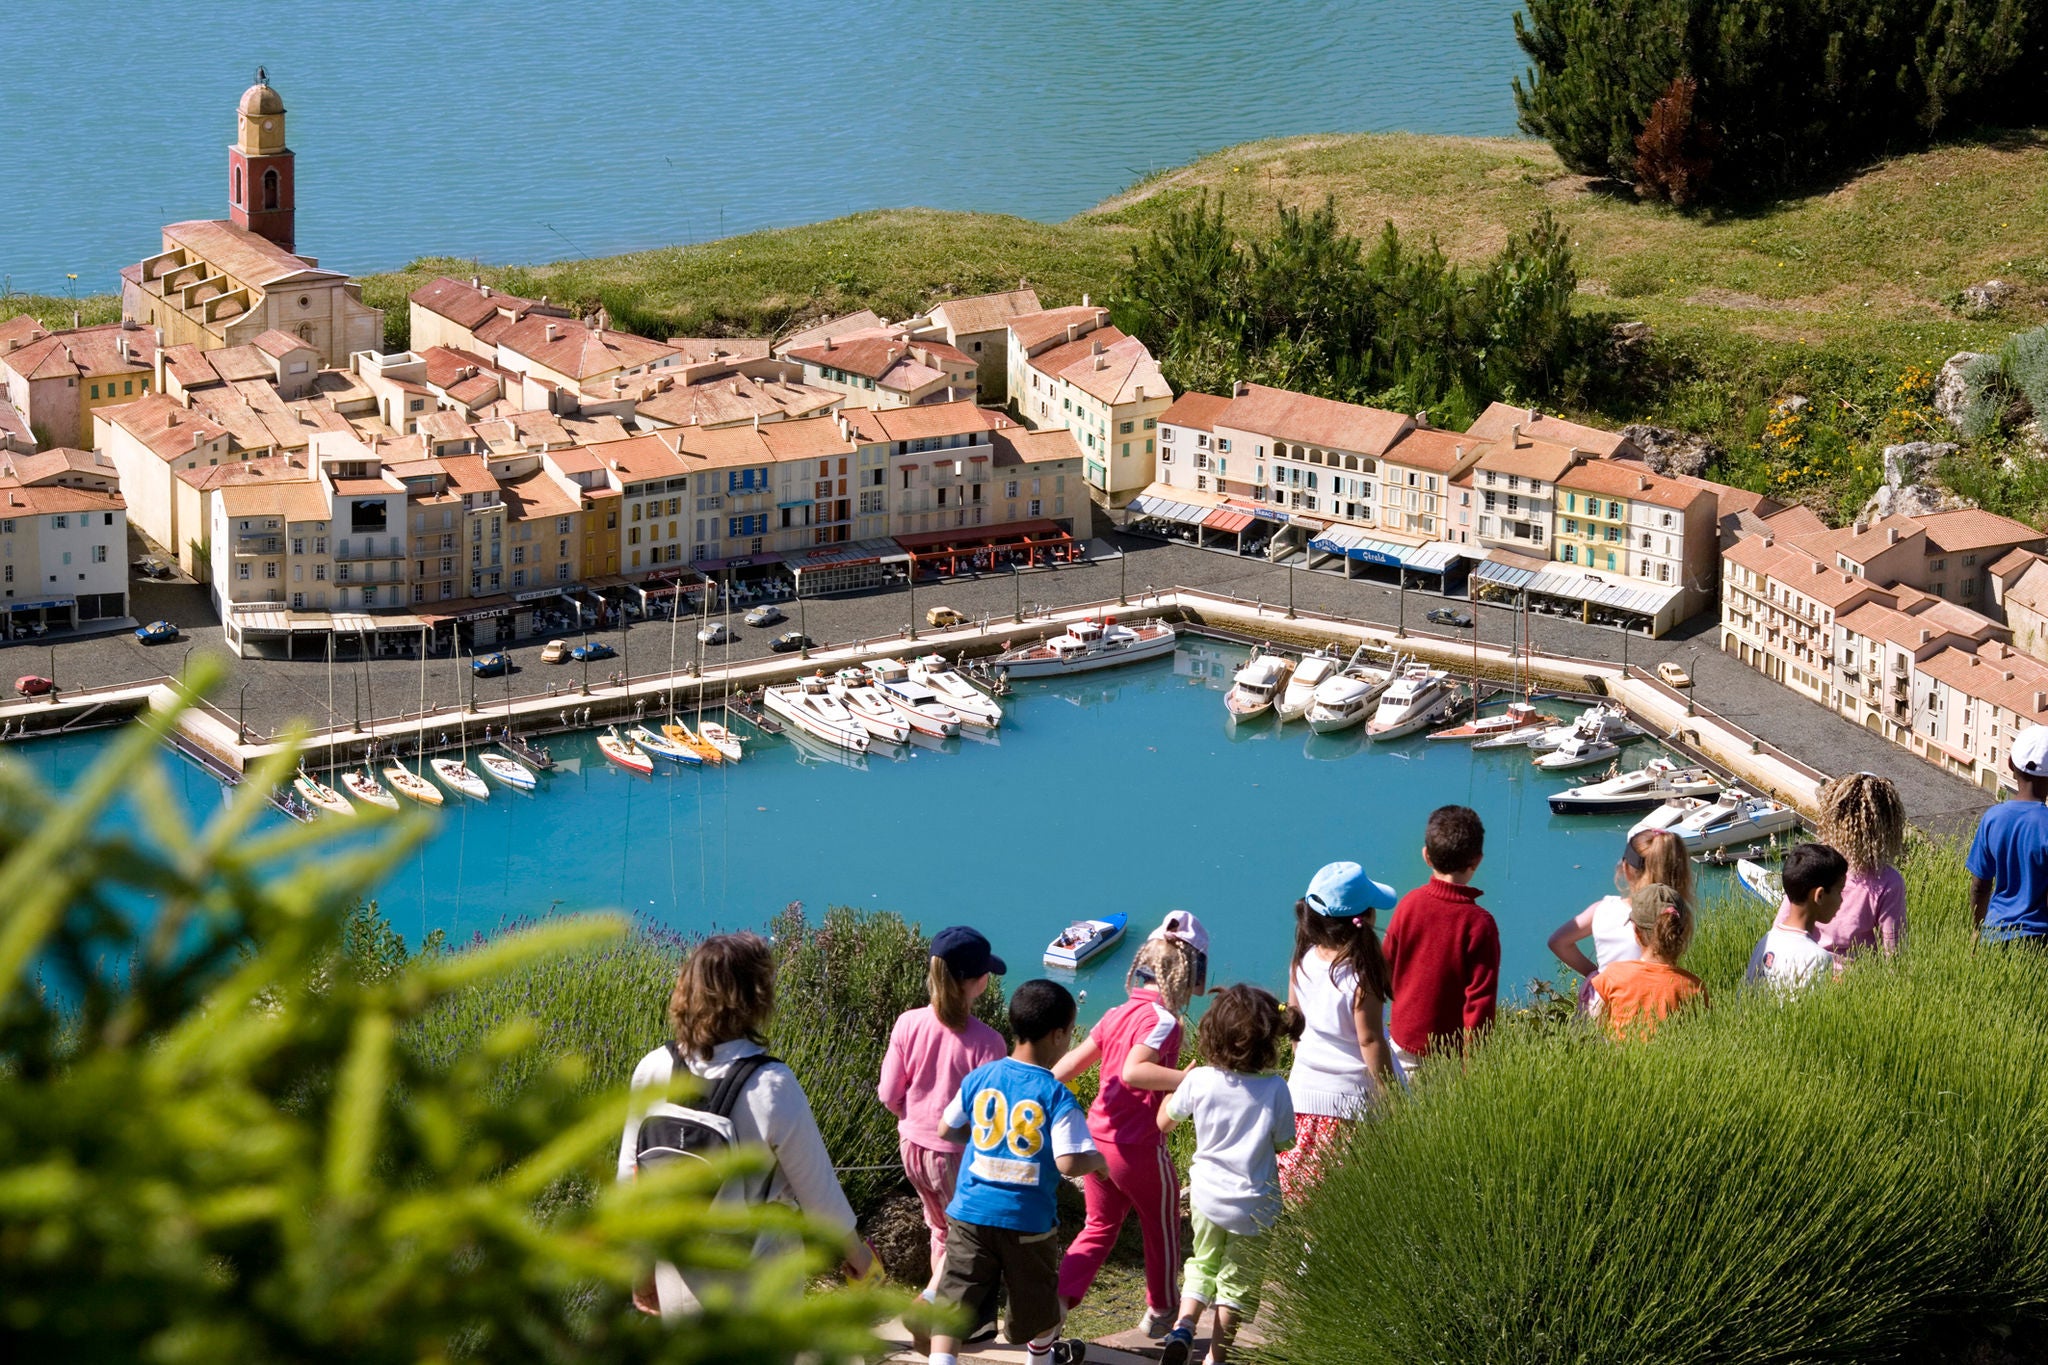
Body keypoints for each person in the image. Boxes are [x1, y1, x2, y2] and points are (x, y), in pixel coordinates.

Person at [617, 932, 872, 1317]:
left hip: (678, 1267)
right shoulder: (771, 1084)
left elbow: (631, 1179)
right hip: (760, 1272)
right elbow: (819, 1193)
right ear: (756, 998)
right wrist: (858, 1256)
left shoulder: (652, 1067)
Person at [914, 979, 1104, 1365]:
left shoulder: (981, 1078)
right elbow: (1069, 1162)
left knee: (954, 1300)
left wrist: (987, 1136)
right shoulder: (1056, 1095)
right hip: (1027, 1223)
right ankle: (1040, 1358)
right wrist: (1099, 1160)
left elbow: (947, 1128)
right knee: (1040, 1308)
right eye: (1069, 1033)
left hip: (970, 1214)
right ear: (1058, 1034)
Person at [1052, 910, 1209, 1337]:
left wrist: (1037, 1088)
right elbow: (1135, 1072)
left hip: (1095, 1139)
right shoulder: (1163, 1021)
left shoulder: (1116, 1013)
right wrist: (1191, 1080)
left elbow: (1071, 1064)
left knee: (1098, 1227)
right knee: (1162, 1226)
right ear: (1187, 976)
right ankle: (1161, 1311)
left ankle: (1058, 1302)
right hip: (1137, 1147)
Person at [1156, 985, 1300, 1365]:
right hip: (1255, 1205)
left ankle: (1184, 1326)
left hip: (1206, 1197)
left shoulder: (1199, 1079)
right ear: (1269, 1040)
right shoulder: (1276, 1089)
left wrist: (1176, 1087)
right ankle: (1216, 1357)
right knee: (1237, 1282)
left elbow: (1164, 1122)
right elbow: (1286, 1142)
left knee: (1202, 1263)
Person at [878, 926, 1009, 1301]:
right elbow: (991, 1116)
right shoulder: (989, 1042)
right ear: (977, 982)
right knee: (967, 1235)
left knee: (941, 1229)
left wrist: (913, 1117)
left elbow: (888, 1092)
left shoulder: (908, 1022)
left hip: (912, 1148)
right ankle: (938, 1306)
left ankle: (942, 1310)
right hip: (957, 1156)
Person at [1278, 860, 1399, 1200]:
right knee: (1345, 1199)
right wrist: (1393, 1097)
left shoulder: (1301, 962)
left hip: (1302, 1099)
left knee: (1306, 1196)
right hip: (1351, 1109)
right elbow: (1370, 1040)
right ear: (1367, 918)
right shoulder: (1362, 977)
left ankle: (1303, 1250)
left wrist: (1305, 1061)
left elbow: (1295, 1024)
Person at [1382, 806, 1499, 1071]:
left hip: (1401, 1042)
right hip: (1448, 1056)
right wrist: (1475, 1066)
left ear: (1426, 856)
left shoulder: (1409, 903)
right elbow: (1480, 1001)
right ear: (1477, 860)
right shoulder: (1480, 923)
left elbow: (1384, 967)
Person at [1545, 828, 1692, 1012]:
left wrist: (1595, 973)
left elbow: (1558, 942)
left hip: (1605, 1000)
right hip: (1652, 1001)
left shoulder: (1602, 909)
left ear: (1626, 870)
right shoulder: (1673, 915)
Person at [1588, 883, 1706, 1040]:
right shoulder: (1694, 987)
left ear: (1636, 932)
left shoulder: (1613, 975)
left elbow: (1596, 1024)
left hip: (1617, 1062)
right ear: (1682, 931)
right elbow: (1700, 1035)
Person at [1969, 725, 2048, 945]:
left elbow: (1980, 886)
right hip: (2039, 940)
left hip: (1994, 936)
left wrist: (1977, 930)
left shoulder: (1993, 818)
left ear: (2011, 764)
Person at [1814, 772, 1907, 956]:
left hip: (1803, 971)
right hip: (1852, 979)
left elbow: (1784, 928)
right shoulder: (1889, 882)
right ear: (1888, 825)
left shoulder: (1814, 864)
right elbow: (1894, 953)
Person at [1746, 843, 1850, 992]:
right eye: (1839, 892)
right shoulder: (1818, 958)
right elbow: (1808, 1014)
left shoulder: (1765, 941)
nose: (1841, 900)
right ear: (1819, 896)